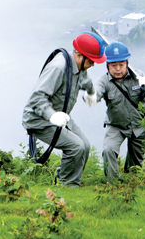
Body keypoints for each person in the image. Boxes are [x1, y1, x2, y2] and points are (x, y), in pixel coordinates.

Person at [22, 32, 106, 186]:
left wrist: (92, 93)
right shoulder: (58, 67)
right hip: (39, 119)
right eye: (92, 61)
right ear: (80, 56)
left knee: (85, 146)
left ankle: (65, 178)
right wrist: (51, 116)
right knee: (76, 147)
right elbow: (37, 97)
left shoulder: (79, 67)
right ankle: (68, 187)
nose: (93, 64)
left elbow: (85, 81)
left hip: (61, 115)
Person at [95, 41, 145, 178]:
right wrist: (90, 96)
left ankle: (131, 182)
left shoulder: (138, 76)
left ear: (127, 63)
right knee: (109, 150)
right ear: (107, 65)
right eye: (113, 65)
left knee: (135, 165)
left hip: (139, 125)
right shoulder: (103, 81)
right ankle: (112, 184)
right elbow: (95, 93)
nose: (118, 69)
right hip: (116, 125)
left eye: (121, 65)